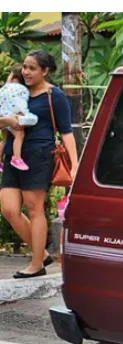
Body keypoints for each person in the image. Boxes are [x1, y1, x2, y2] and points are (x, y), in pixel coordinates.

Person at [0, 50, 78, 279]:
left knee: (35, 210)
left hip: (39, 156)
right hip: (13, 157)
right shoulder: (15, 92)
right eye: (25, 66)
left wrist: (74, 165)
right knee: (9, 209)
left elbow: (67, 132)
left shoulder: (55, 96)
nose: (26, 72)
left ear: (45, 71)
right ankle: (41, 253)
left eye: (32, 68)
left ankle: (36, 264)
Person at [0, 64, 38, 172]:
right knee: (19, 135)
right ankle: (17, 158)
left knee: (4, 140)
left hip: (2, 115)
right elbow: (20, 105)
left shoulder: (5, 88)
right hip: (12, 117)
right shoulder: (21, 91)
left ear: (12, 76)